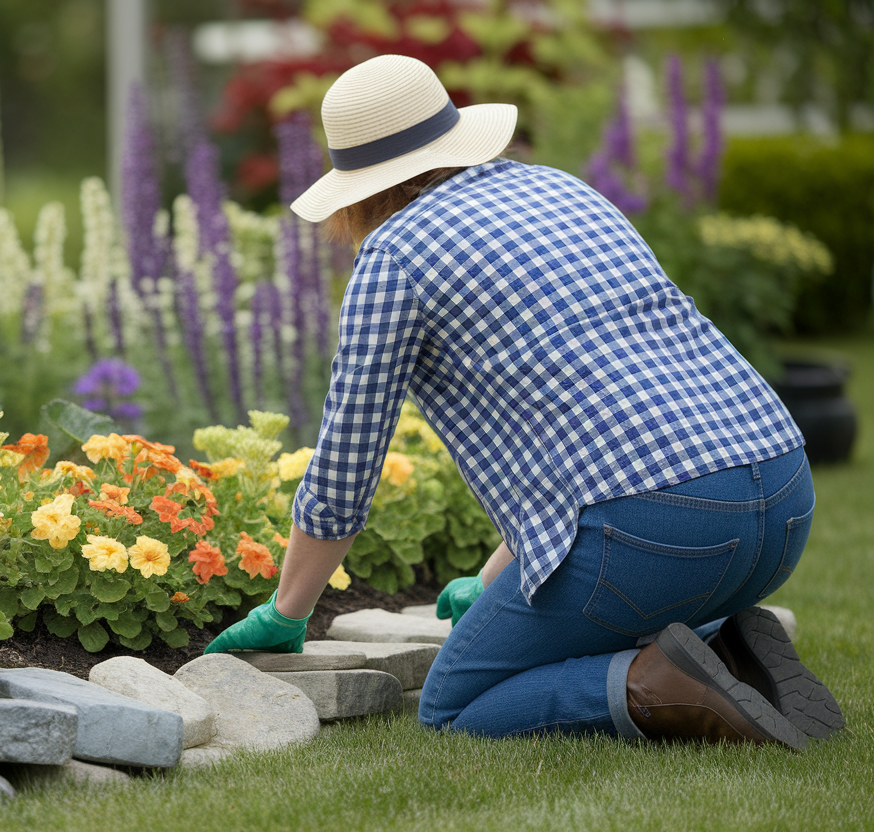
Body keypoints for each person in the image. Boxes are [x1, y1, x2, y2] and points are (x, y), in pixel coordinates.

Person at [204, 54, 844, 748]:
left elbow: (345, 468)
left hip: (661, 533)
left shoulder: (393, 255)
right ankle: (725, 646)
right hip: (783, 496)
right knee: (639, 570)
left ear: (357, 190)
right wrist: (494, 583)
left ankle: (660, 682)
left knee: (454, 704)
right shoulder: (560, 189)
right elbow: (588, 423)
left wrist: (288, 611)